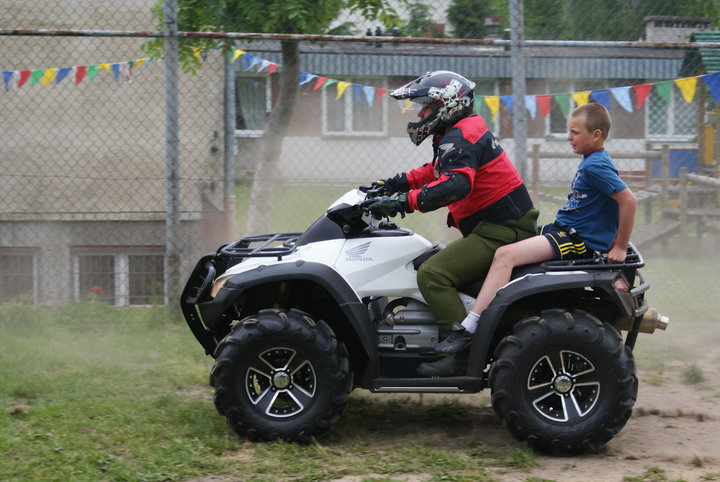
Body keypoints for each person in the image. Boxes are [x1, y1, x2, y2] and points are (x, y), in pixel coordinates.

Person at [364, 70, 539, 377]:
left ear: (447, 104)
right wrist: (393, 184)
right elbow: (437, 169)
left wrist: (404, 202)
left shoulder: (461, 135)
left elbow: (455, 184)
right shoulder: (459, 132)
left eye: (426, 106)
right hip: (499, 226)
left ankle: (460, 354)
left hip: (502, 231)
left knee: (433, 274)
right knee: (423, 260)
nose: (420, 113)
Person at [432, 102, 638, 357]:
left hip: (574, 239)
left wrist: (619, 246)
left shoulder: (595, 165)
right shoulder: (593, 159)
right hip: (565, 230)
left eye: (575, 132)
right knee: (513, 238)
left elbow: (628, 200)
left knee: (504, 255)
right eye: (569, 131)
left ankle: (470, 326)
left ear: (596, 135)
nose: (568, 137)